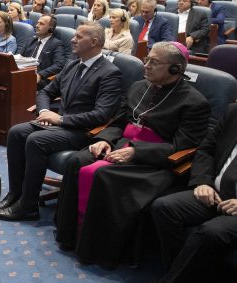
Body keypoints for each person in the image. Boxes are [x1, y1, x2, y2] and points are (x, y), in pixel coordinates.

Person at [54, 42, 209, 268]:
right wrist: (105, 140)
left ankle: (97, 249)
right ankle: (70, 236)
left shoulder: (194, 102)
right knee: (77, 160)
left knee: (105, 175)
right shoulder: (138, 86)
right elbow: (119, 122)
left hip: (155, 162)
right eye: (147, 59)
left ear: (175, 69)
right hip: (121, 145)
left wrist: (136, 152)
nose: (146, 65)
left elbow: (181, 146)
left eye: (154, 62)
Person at [0, 23, 123, 221]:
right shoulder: (72, 64)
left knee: (36, 140)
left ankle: (29, 206)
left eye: (79, 37)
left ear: (94, 42)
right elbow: (45, 92)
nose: (72, 40)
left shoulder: (110, 73)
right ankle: (16, 193)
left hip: (84, 131)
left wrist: (61, 119)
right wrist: (45, 111)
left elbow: (102, 114)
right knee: (16, 132)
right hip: (59, 125)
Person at [151, 103, 237, 282]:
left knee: (211, 232)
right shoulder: (233, 112)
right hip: (216, 194)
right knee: (164, 207)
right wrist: (203, 182)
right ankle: (178, 274)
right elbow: (206, 150)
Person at [23, 15, 66, 89]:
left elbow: (59, 65)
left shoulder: (56, 44)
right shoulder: (31, 41)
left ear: (51, 28)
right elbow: (20, 57)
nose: (37, 25)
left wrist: (40, 75)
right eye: (37, 23)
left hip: (40, 80)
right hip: (23, 74)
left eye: (41, 24)